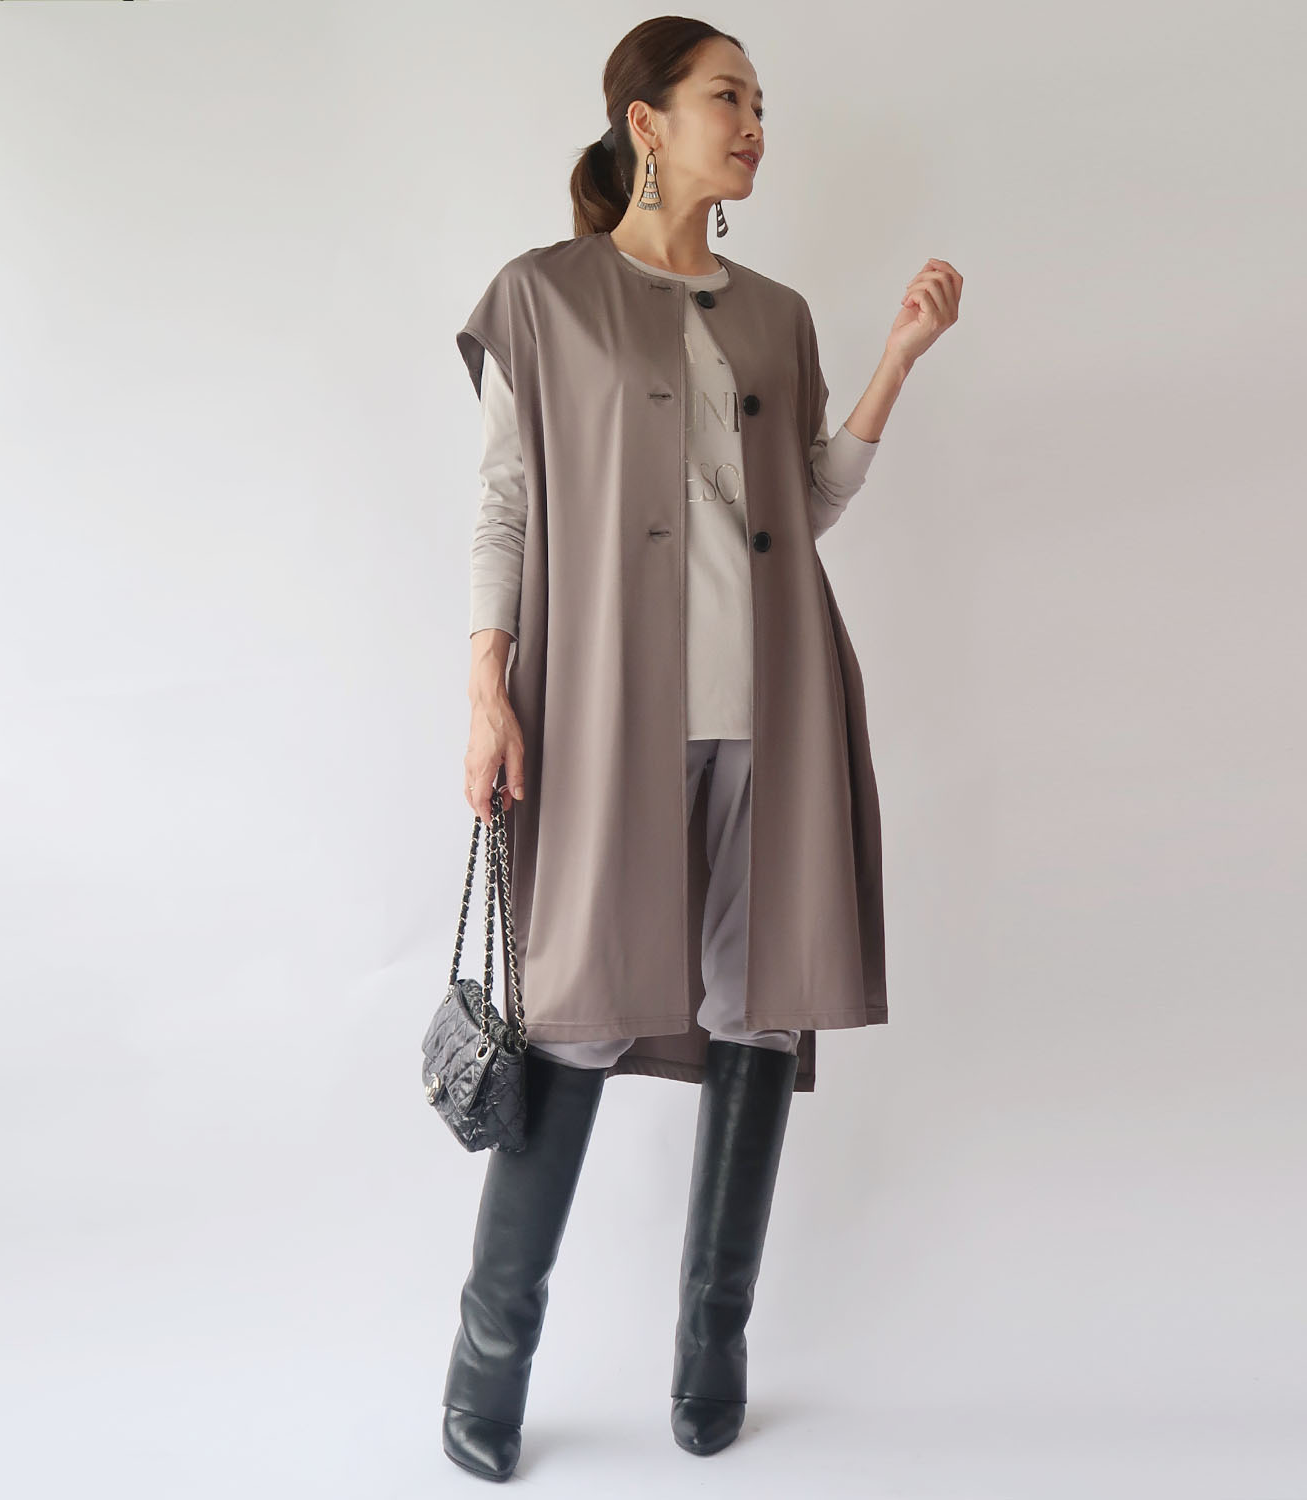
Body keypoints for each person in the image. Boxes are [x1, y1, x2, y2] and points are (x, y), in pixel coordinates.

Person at [442, 16, 961, 1483]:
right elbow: (505, 503)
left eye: (759, 103)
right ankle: (490, 1356)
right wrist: (487, 687)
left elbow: (809, 500)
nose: (752, 125)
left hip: (774, 708)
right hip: (607, 716)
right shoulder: (543, 298)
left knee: (757, 1012)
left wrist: (896, 360)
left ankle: (712, 1343)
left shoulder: (774, 314)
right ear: (645, 122)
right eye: (727, 97)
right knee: (573, 1014)